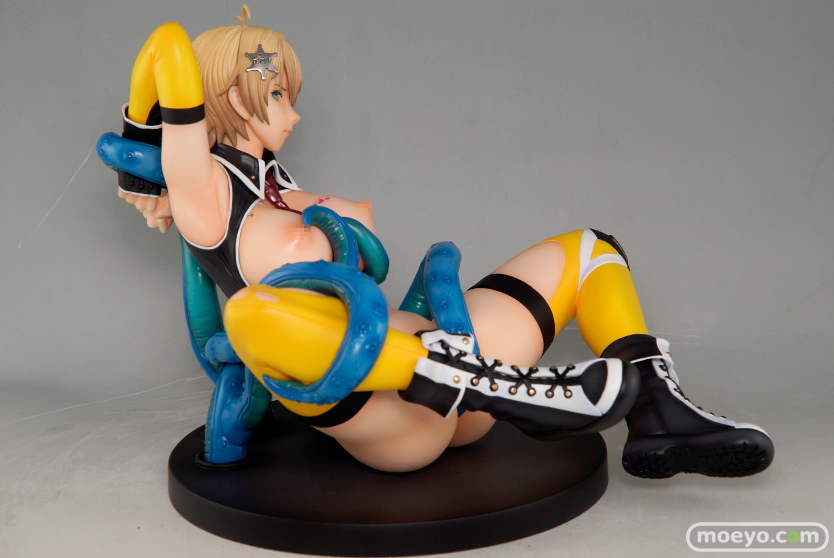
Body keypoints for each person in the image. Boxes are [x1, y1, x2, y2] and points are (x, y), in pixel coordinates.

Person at [112, 7, 774, 477]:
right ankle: (497, 384)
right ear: (237, 97)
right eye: (279, 93)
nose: (295, 112)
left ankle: (658, 411)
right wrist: (138, 151)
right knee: (255, 314)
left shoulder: (276, 184)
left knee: (590, 249)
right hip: (387, 417)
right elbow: (167, 46)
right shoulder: (205, 193)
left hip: (454, 377)